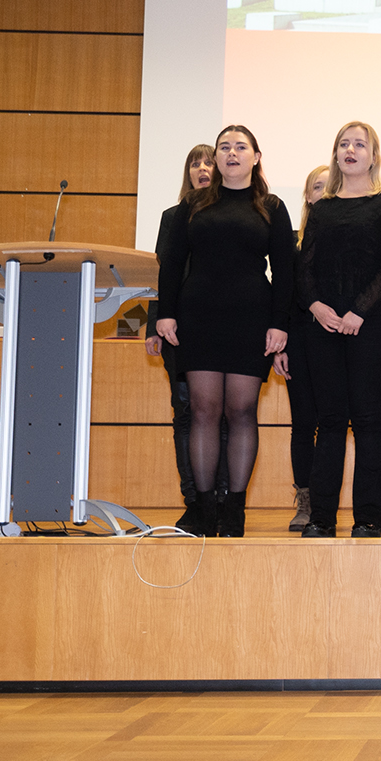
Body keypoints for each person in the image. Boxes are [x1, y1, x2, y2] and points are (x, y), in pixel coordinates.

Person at [155, 125, 296, 538]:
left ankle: (234, 509)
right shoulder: (194, 204)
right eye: (224, 147)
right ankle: (203, 509)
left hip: (251, 319)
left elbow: (286, 271)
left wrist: (279, 324)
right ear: (215, 158)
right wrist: (165, 314)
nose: (231, 153)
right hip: (198, 317)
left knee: (241, 413)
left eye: (241, 147)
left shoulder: (271, 205)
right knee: (202, 411)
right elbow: (172, 260)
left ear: (256, 156)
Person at [297, 121, 381, 538]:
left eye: (360, 144)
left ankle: (368, 517)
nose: (351, 150)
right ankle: (322, 518)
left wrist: (359, 311)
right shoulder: (322, 208)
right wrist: (317, 306)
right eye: (344, 143)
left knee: (367, 420)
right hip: (323, 327)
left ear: (373, 156)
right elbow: (303, 267)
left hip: (370, 325)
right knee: (330, 419)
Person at [144, 144, 228, 532]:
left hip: (224, 325)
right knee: (185, 415)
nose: (202, 168)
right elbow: (164, 275)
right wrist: (153, 324)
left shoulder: (232, 212)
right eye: (195, 163)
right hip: (179, 329)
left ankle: (223, 499)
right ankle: (194, 501)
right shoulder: (172, 216)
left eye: (208, 161)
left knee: (222, 415)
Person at [284, 163, 329, 532]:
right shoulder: (292, 240)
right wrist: (280, 344)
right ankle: (307, 499)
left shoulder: (358, 235)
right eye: (318, 186)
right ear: (308, 197)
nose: (325, 192)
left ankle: (328, 500)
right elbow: (283, 293)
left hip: (340, 339)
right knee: (304, 423)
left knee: (336, 422)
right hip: (298, 340)